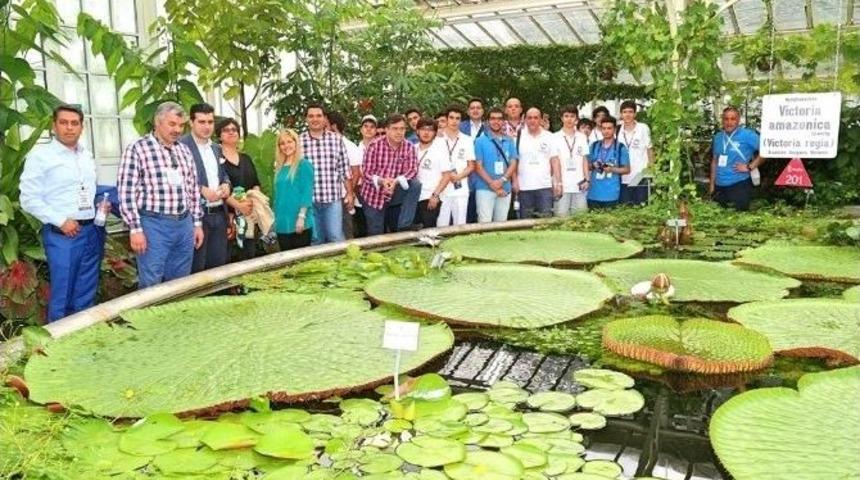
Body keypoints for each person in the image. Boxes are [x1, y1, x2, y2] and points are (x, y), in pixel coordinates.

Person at [20, 104, 107, 321]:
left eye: (74, 123)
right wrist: (60, 221)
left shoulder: (86, 155)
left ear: (81, 127)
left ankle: (84, 334)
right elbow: (28, 198)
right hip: (62, 235)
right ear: (54, 126)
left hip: (91, 231)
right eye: (64, 122)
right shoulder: (41, 156)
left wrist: (99, 206)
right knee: (63, 291)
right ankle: (59, 337)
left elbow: (87, 190)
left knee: (86, 291)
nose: (69, 128)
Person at [118, 101, 204, 289]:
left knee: (180, 283)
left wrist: (197, 223)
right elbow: (126, 192)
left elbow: (193, 189)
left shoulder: (184, 150)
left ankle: (175, 310)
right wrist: (135, 229)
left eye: (181, 125)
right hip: (153, 224)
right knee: (151, 282)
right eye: (172, 124)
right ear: (157, 122)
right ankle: (148, 310)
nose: (177, 130)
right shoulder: (138, 148)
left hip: (184, 224)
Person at [179, 103, 230, 273]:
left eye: (210, 122)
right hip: (196, 218)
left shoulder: (216, 148)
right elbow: (176, 179)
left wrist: (226, 185)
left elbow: (223, 174)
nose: (207, 126)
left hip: (219, 215)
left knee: (218, 268)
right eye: (201, 122)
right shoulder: (180, 146)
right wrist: (200, 189)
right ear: (191, 122)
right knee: (196, 269)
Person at [300, 103, 352, 244]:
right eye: (311, 116)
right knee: (316, 239)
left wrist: (349, 193)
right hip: (309, 201)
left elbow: (344, 168)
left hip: (332, 199)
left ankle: (342, 259)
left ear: (324, 119)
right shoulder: (298, 142)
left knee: (335, 236)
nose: (315, 119)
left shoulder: (336, 139)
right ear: (306, 119)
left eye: (318, 116)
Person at [361, 114, 420, 235]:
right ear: (387, 129)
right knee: (376, 233)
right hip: (374, 195)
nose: (399, 132)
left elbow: (413, 170)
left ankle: (405, 226)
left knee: (415, 185)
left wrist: (396, 181)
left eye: (402, 128)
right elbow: (367, 173)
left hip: (395, 191)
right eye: (395, 128)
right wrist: (382, 181)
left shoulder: (409, 147)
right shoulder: (374, 145)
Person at [217, 118, 262, 261]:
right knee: (228, 259)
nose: (231, 132)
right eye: (226, 130)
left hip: (248, 215)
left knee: (248, 257)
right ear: (219, 136)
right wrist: (237, 206)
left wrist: (252, 201)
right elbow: (218, 187)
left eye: (234, 130)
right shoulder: (216, 159)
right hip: (227, 218)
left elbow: (255, 183)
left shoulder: (246, 158)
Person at [709, 106, 763, 211]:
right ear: (722, 120)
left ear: (738, 120)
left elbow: (766, 151)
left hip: (739, 184)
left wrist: (750, 167)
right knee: (718, 217)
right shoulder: (718, 137)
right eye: (726, 119)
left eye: (733, 119)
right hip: (718, 186)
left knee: (738, 217)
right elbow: (714, 161)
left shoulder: (748, 135)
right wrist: (711, 185)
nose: (729, 122)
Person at [473, 107, 519, 223]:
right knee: (484, 222)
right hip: (485, 188)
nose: (496, 121)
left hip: (505, 187)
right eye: (493, 118)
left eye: (499, 119)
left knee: (501, 223)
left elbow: (513, 163)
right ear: (487, 121)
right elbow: (478, 166)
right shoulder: (479, 141)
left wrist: (502, 180)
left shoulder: (509, 140)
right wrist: (492, 184)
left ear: (503, 121)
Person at [514, 107, 561, 218]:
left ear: (540, 120)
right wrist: (515, 180)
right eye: (529, 118)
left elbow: (555, 161)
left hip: (544, 187)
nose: (532, 120)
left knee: (545, 222)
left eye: (536, 118)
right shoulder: (517, 137)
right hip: (524, 187)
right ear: (525, 120)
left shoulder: (549, 136)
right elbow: (514, 161)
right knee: (525, 223)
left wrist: (558, 183)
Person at [273, 129, 314, 250]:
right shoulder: (279, 168)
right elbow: (278, 195)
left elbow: (307, 192)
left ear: (296, 143)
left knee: (301, 259)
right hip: (282, 222)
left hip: (299, 221)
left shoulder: (304, 165)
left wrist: (301, 217)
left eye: (289, 141)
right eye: (282, 143)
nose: (286, 146)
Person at [437, 105, 475, 226]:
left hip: (460, 188)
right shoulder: (437, 139)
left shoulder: (467, 140)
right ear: (446, 119)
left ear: (461, 121)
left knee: (460, 225)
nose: (454, 121)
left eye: (457, 118)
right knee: (441, 225)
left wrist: (458, 176)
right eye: (451, 117)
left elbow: (471, 166)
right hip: (441, 188)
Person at [327, 110, 362, 239]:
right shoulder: (325, 145)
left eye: (325, 125)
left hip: (343, 197)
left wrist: (349, 194)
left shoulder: (349, 146)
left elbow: (356, 173)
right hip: (327, 197)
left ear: (334, 126)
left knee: (345, 231)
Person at [414, 117, 453, 228]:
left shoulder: (440, 150)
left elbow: (447, 176)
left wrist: (435, 195)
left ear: (435, 133)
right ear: (417, 131)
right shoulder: (412, 148)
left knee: (428, 231)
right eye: (423, 129)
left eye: (430, 130)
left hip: (430, 197)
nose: (426, 133)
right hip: (413, 197)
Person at [553, 105, 590, 216]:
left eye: (572, 116)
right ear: (561, 118)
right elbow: (555, 162)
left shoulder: (582, 137)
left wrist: (587, 179)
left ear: (576, 118)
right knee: (561, 217)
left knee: (581, 217)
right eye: (566, 116)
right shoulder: (554, 137)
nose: (569, 119)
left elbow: (584, 159)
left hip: (579, 185)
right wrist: (558, 183)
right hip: (562, 185)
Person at [587, 116, 631, 209]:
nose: (606, 131)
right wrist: (593, 165)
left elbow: (627, 169)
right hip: (594, 193)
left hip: (611, 193)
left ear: (614, 129)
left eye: (609, 128)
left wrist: (612, 169)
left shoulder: (620, 147)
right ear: (601, 130)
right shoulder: (594, 146)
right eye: (604, 128)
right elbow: (586, 165)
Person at [617, 101, 654, 206]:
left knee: (642, 207)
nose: (627, 115)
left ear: (635, 114)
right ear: (621, 114)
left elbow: (650, 150)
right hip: (623, 177)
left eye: (630, 112)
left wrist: (651, 171)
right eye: (624, 112)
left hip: (641, 176)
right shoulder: (617, 130)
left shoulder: (643, 128)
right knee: (625, 208)